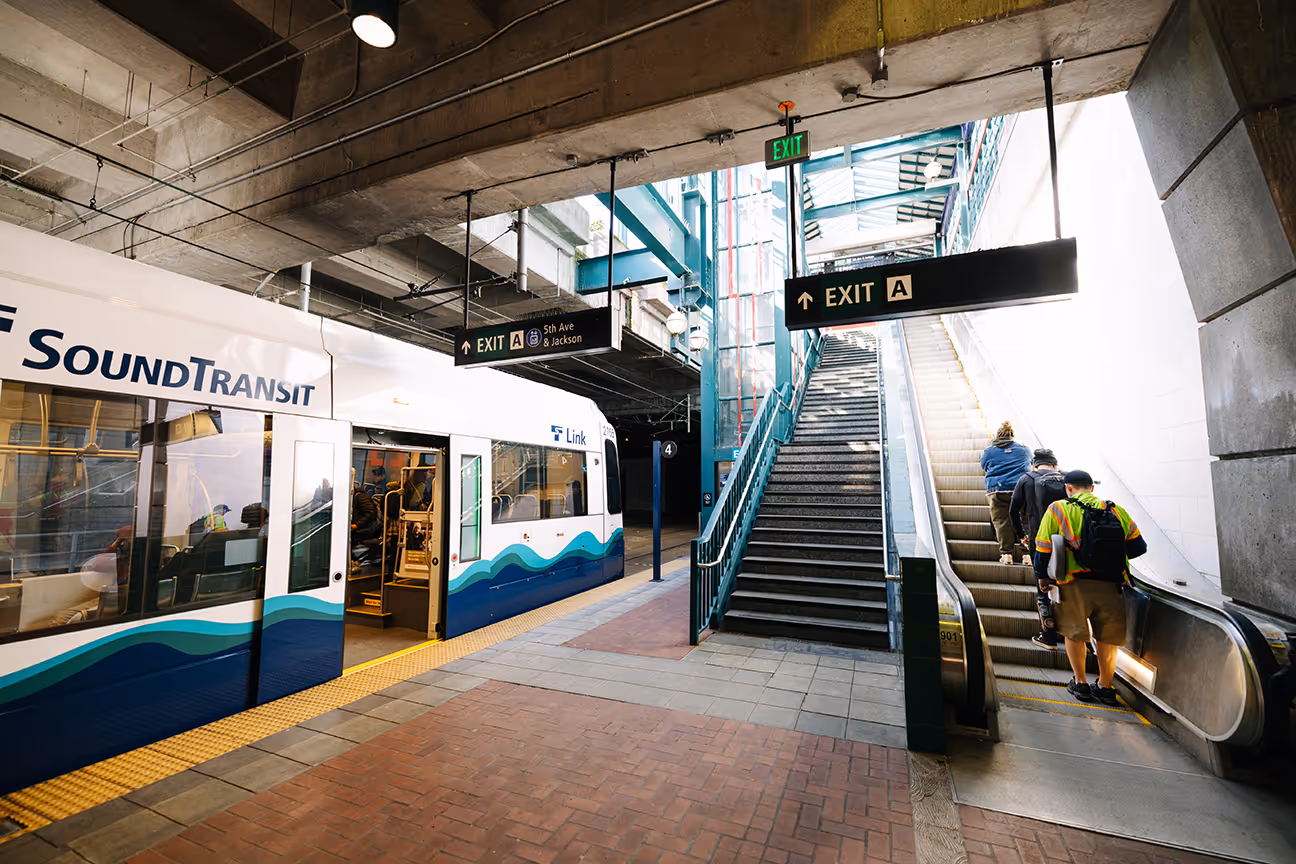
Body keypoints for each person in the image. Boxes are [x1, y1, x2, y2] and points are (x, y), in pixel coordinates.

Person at [1034, 470, 1148, 707]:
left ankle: (1081, 683)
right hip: (1113, 583)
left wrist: (1042, 578)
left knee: (1075, 633)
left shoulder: (1058, 509)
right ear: (1091, 488)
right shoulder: (1115, 510)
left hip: (1073, 583)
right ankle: (1106, 688)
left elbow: (1043, 549)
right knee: (1107, 637)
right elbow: (1138, 547)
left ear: (1068, 488)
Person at [1010, 448, 1068, 650]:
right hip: (1069, 541)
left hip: (1040, 542)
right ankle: (1073, 634)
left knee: (1043, 588)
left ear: (1035, 464)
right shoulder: (1066, 478)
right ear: (1055, 464)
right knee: (1068, 586)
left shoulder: (1026, 479)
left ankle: (1048, 635)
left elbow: (1013, 510)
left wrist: (1022, 536)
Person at [980, 421, 1032, 565]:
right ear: (1013, 436)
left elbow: (983, 465)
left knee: (1001, 521)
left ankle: (1006, 555)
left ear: (997, 435)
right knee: (1024, 520)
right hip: (1020, 489)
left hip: (997, 490)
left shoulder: (989, 451)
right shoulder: (1025, 450)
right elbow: (1031, 463)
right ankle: (1027, 555)